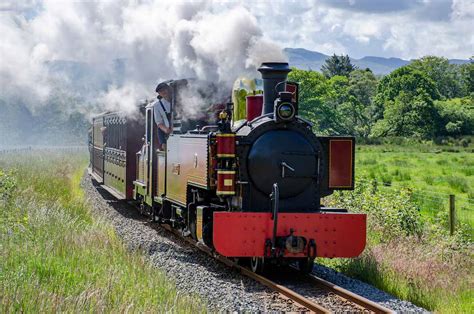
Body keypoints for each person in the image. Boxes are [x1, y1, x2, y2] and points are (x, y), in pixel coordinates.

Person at [153, 83, 172, 150]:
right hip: (168, 133)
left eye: (164, 89)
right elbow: (159, 123)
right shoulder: (157, 105)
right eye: (161, 91)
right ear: (159, 93)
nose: (163, 92)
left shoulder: (177, 101)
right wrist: (166, 130)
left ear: (168, 89)